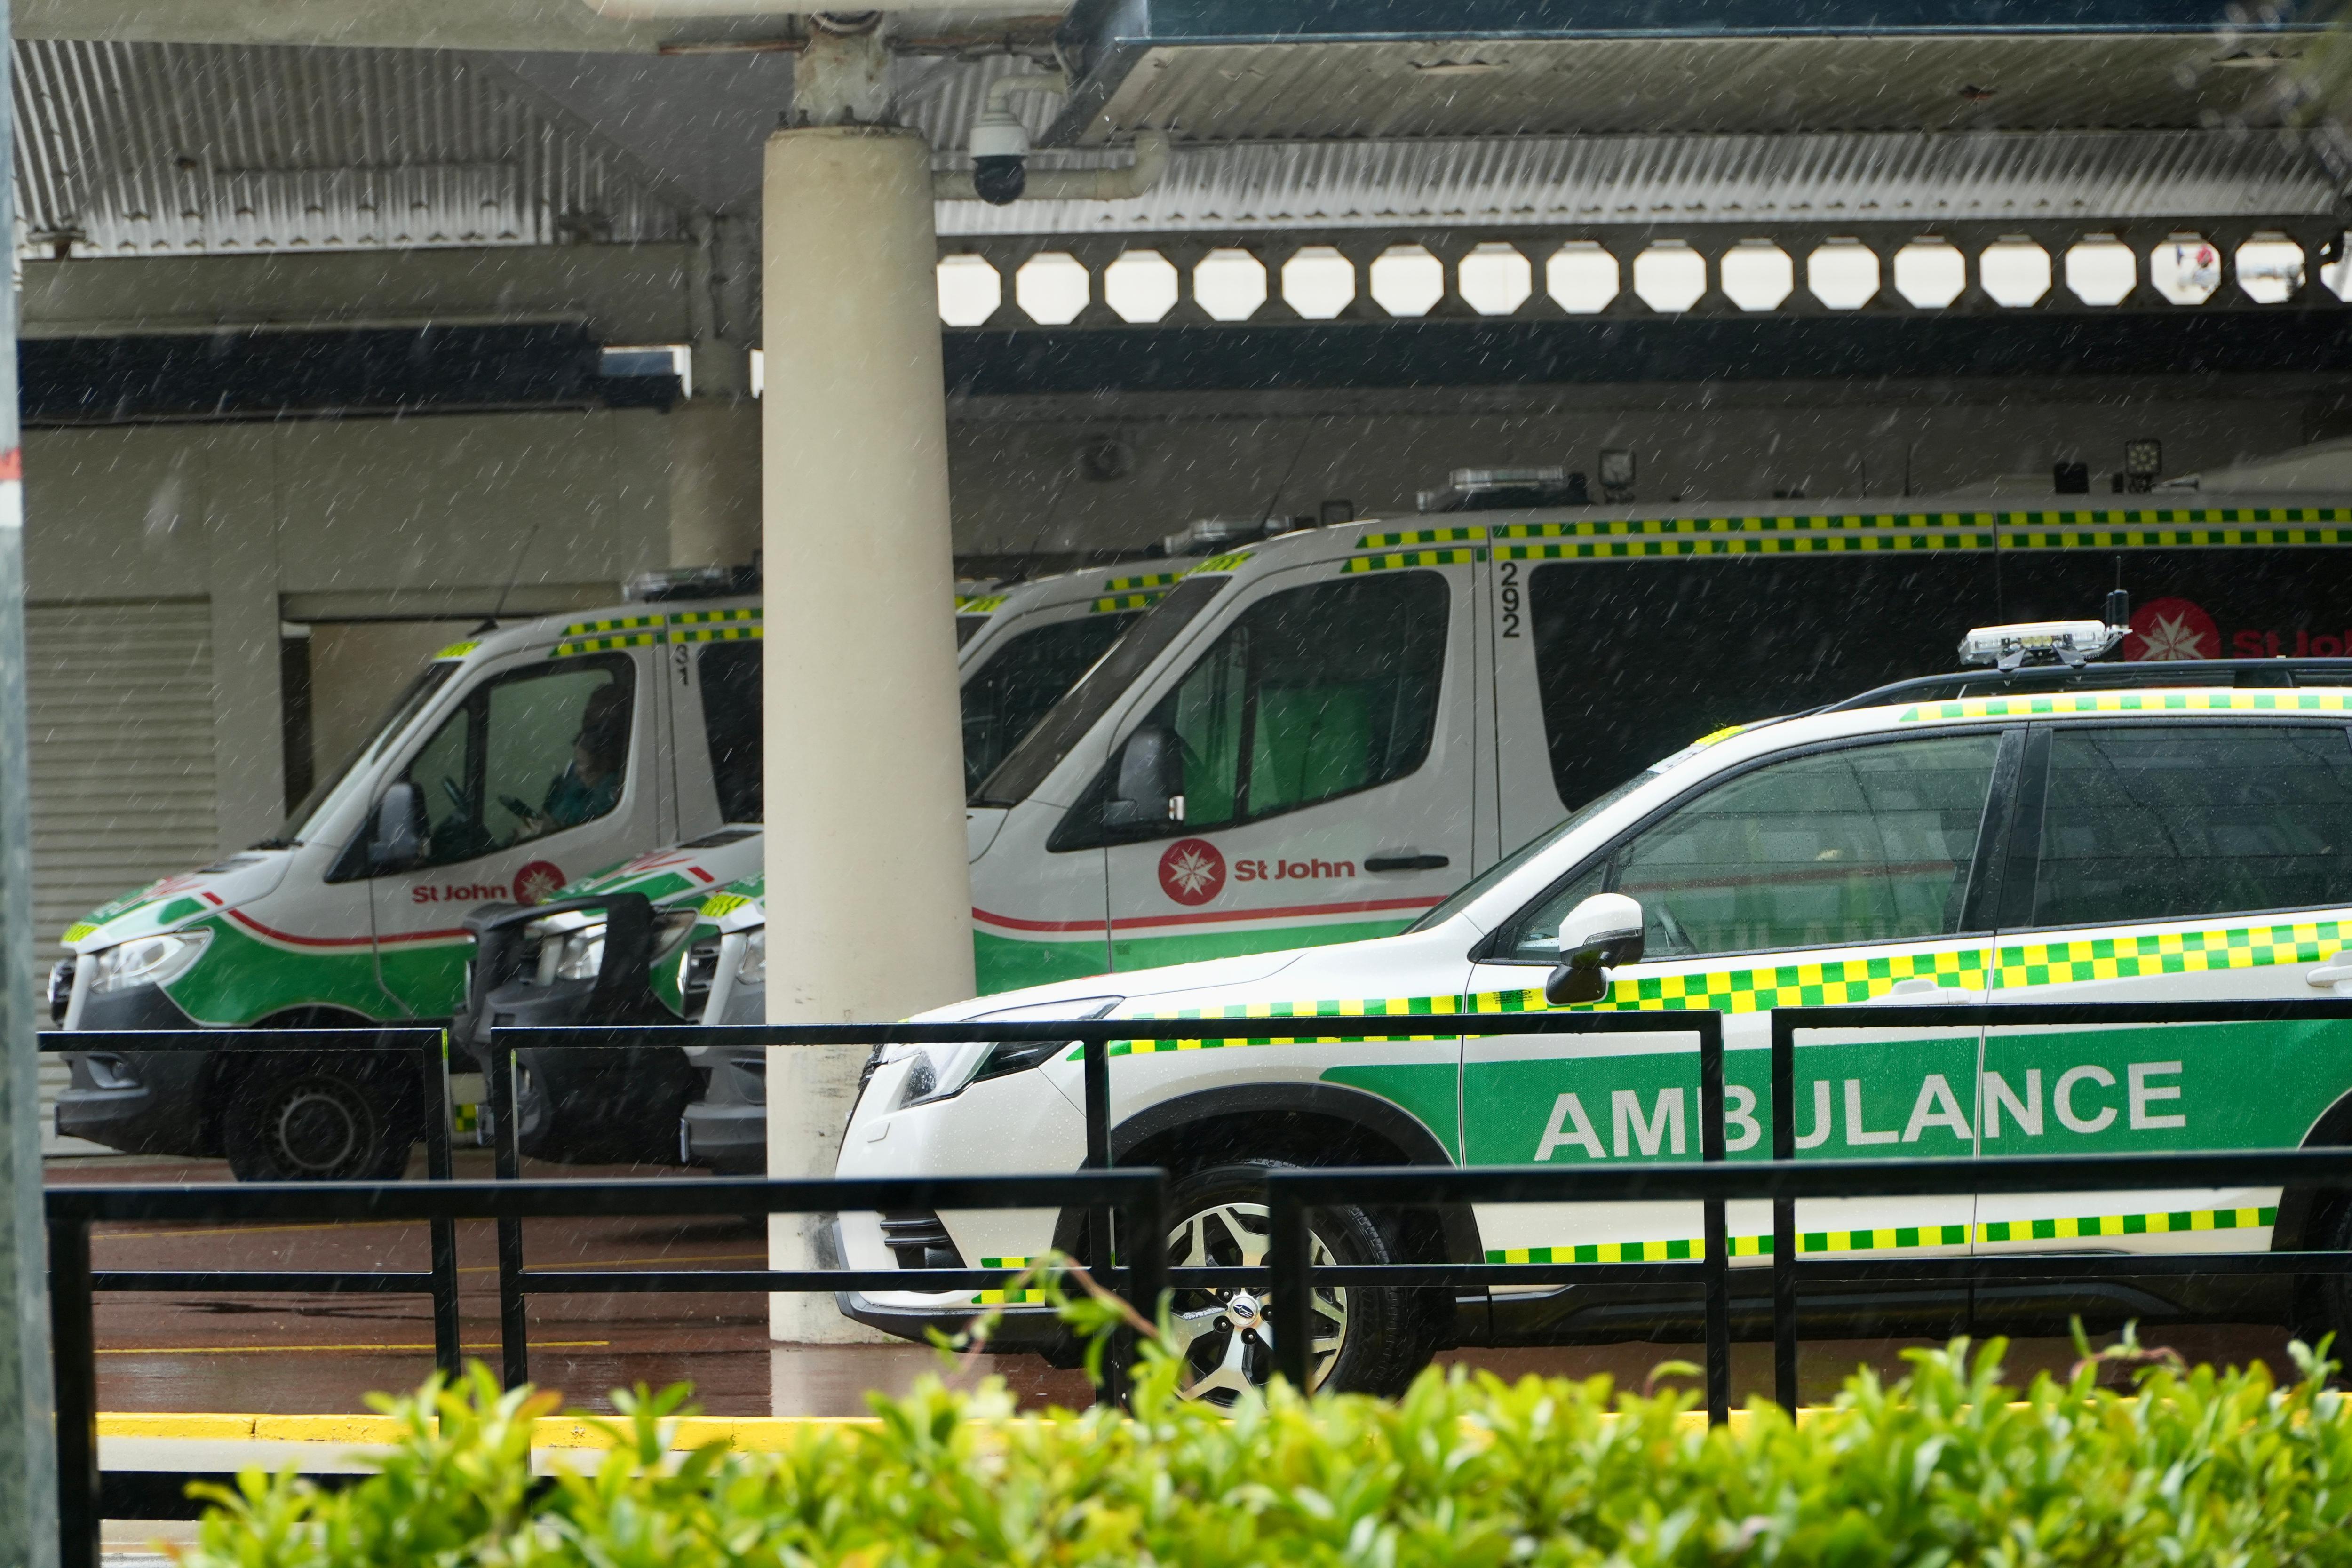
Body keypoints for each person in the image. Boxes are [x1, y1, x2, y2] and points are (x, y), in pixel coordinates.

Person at [513, 684, 628, 839]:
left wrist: (550, 831)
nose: (591, 726)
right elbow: (550, 812)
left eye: (600, 721)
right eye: (589, 717)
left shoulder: (614, 787)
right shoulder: (572, 774)